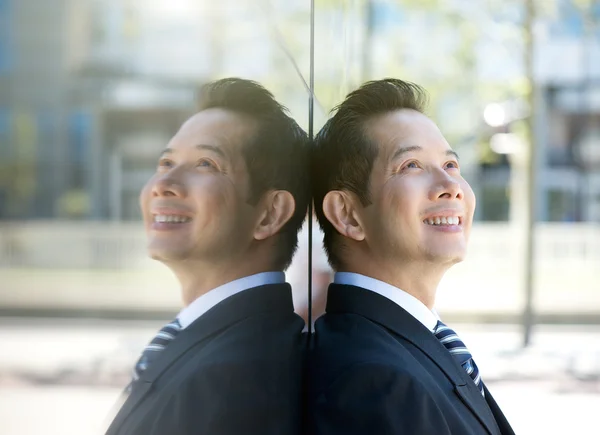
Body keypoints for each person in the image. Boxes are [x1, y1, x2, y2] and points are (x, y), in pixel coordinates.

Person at [308, 78, 515, 435]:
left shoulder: (407, 345)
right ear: (347, 214)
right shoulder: (372, 381)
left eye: (451, 166)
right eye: (412, 166)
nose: (451, 188)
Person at [106, 78, 309, 435]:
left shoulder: (238, 378)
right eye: (166, 162)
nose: (162, 183)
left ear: (270, 214)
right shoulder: (216, 345)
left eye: (205, 163)